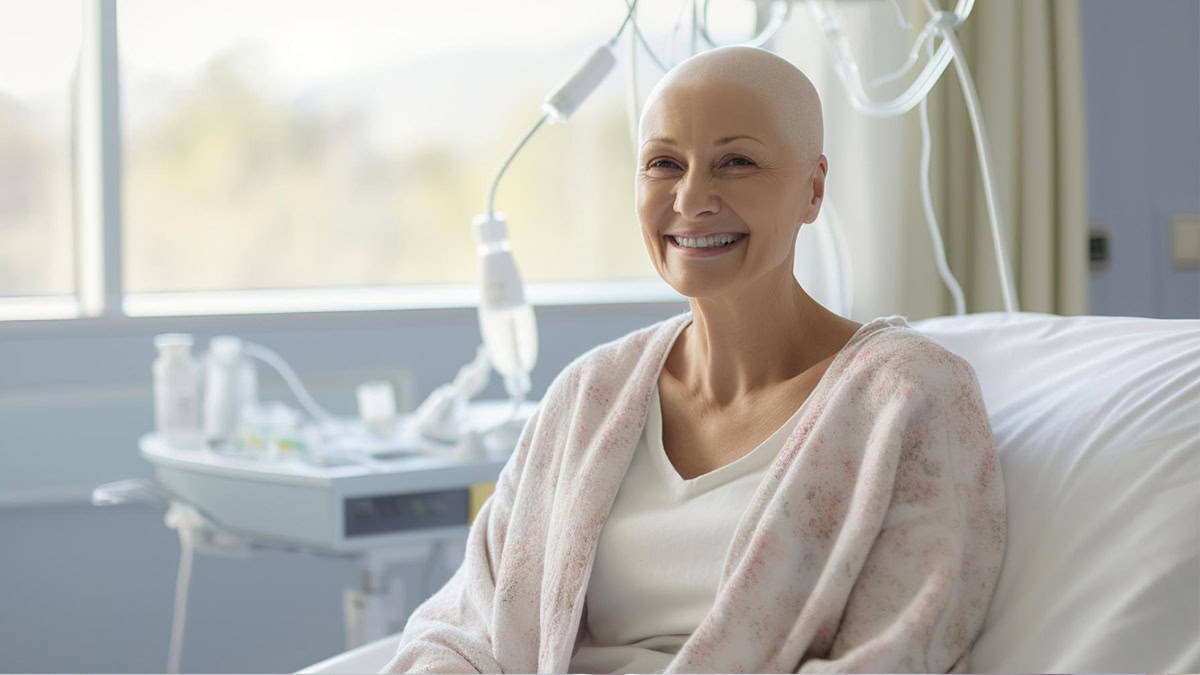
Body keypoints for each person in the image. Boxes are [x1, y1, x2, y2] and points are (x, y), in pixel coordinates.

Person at [385, 45, 1006, 674]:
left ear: (813, 189)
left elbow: (898, 651)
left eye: (736, 162)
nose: (690, 200)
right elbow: (462, 626)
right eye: (664, 164)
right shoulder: (589, 394)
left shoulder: (910, 396)